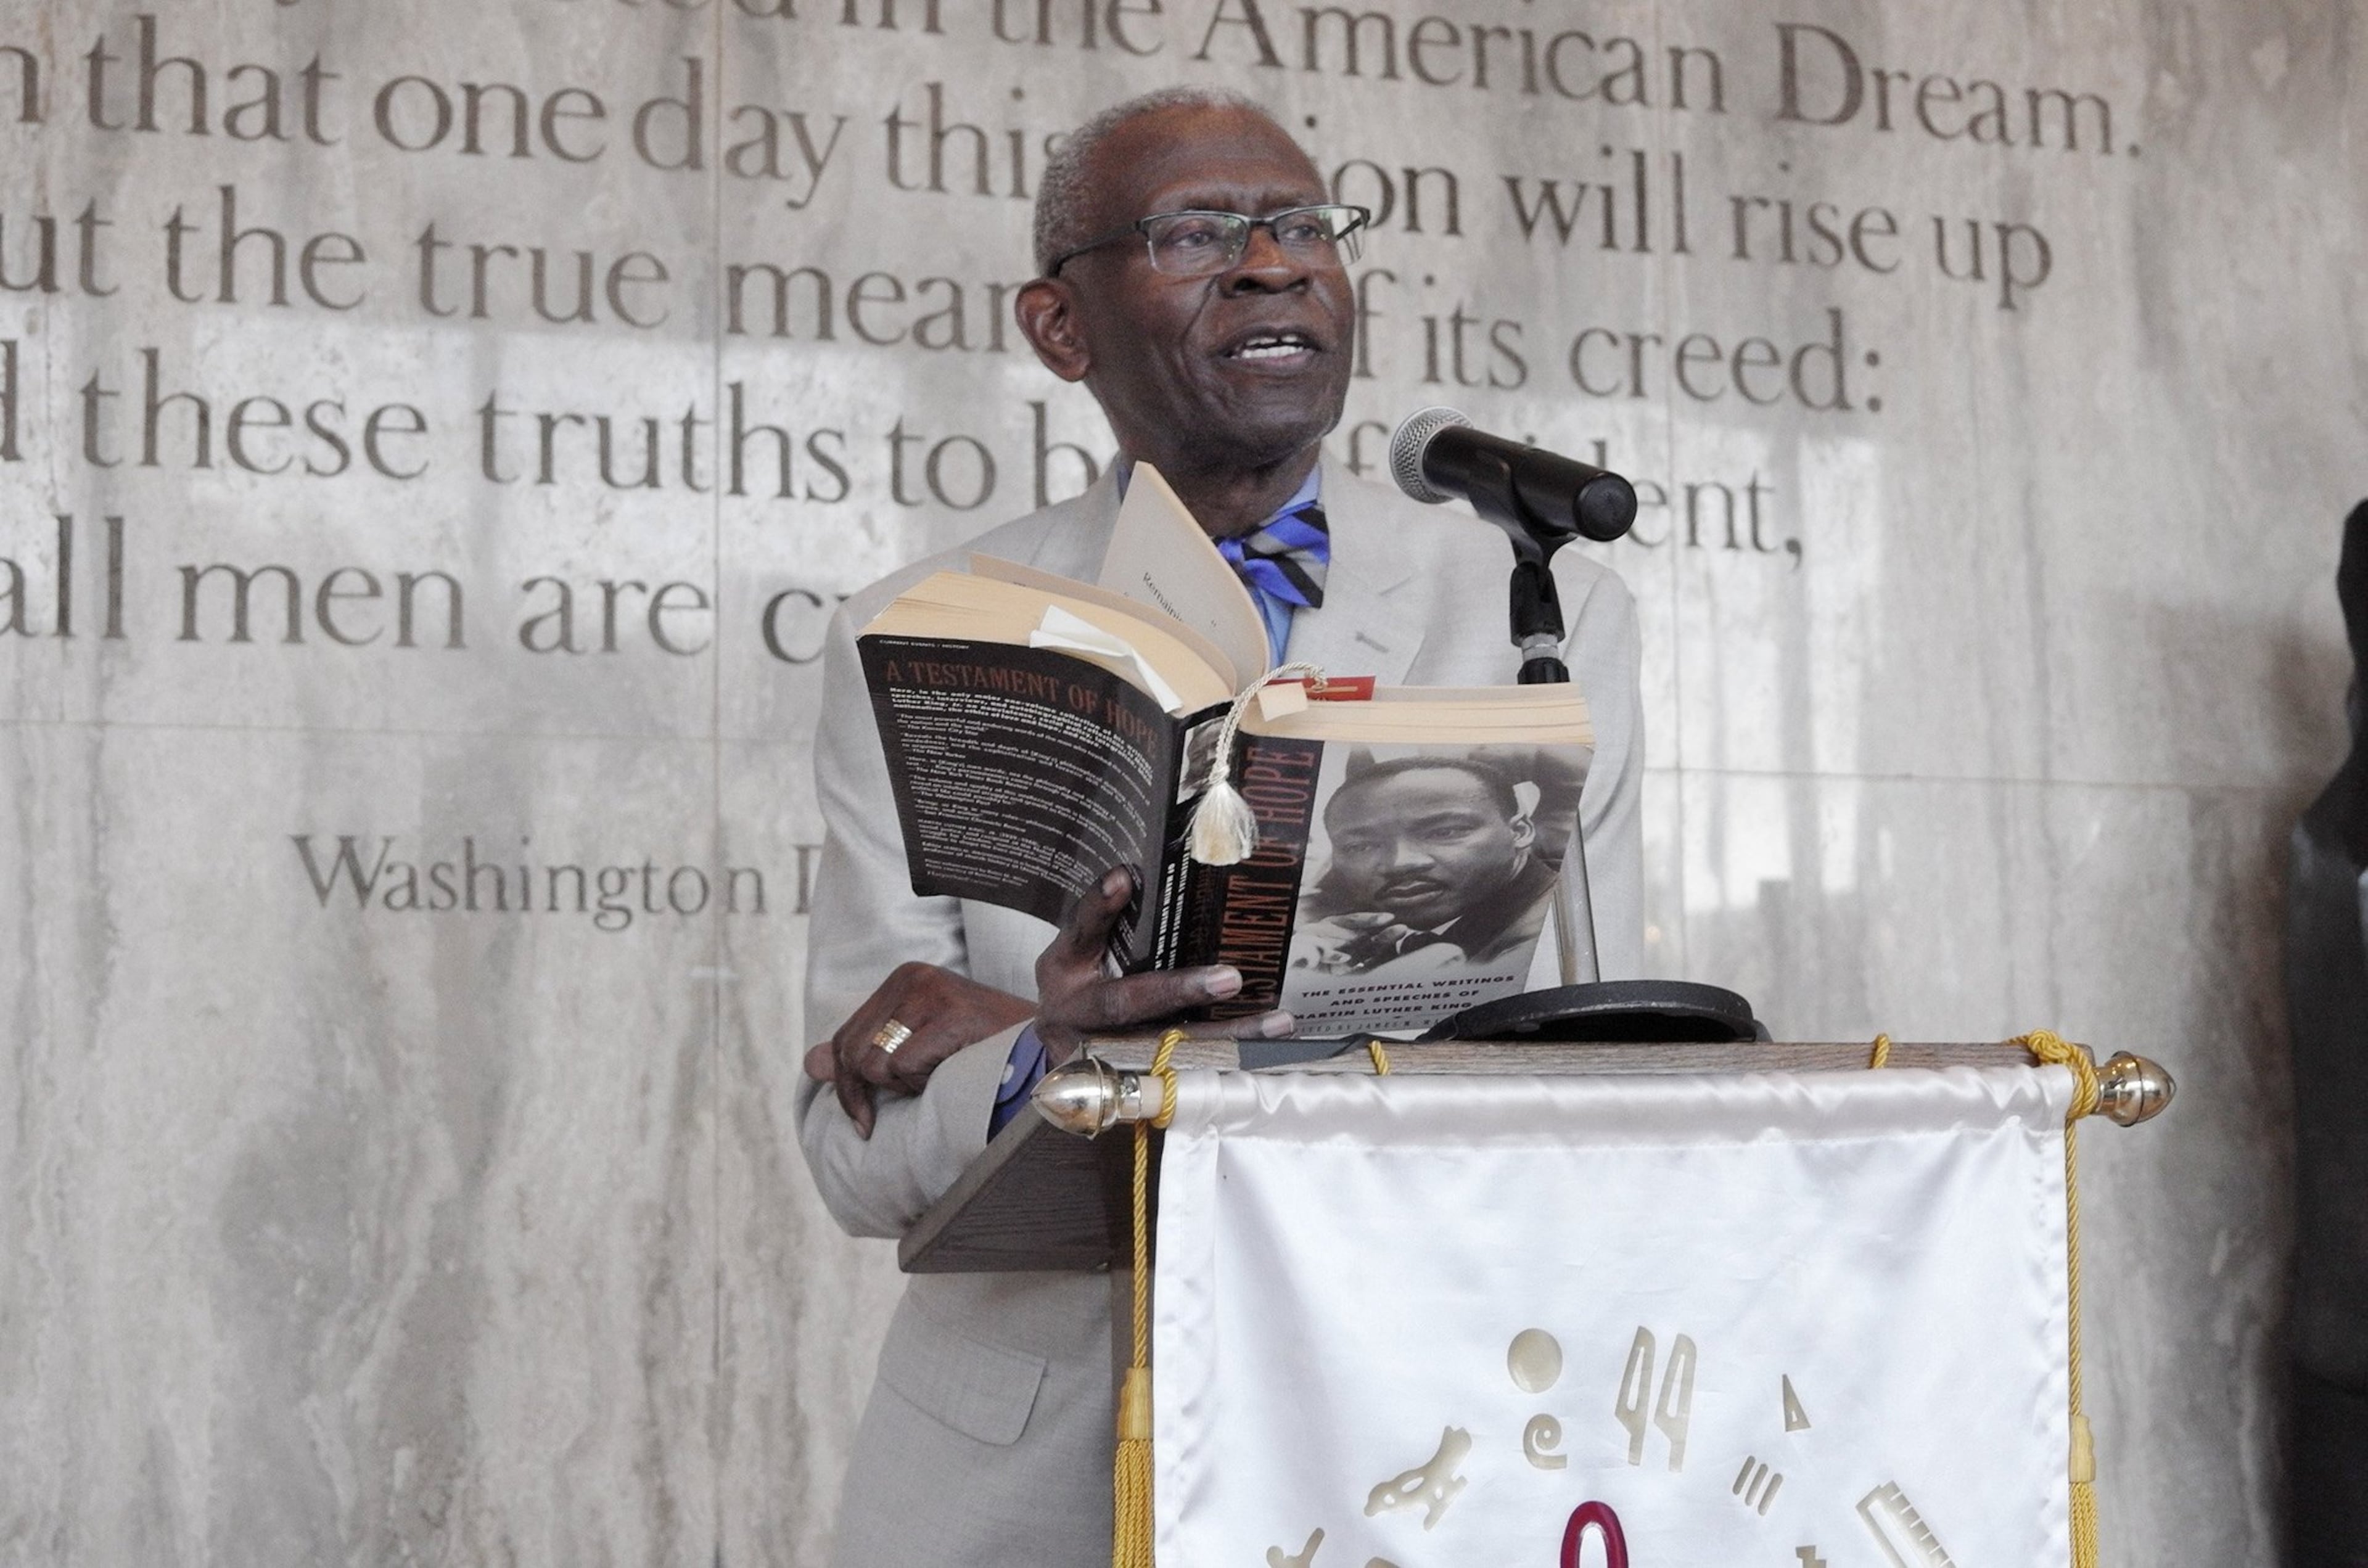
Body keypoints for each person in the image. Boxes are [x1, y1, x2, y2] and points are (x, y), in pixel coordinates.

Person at [797, 86, 1645, 1567]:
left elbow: (1592, 1059)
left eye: (1302, 226)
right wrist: (1045, 1047)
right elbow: (852, 1151)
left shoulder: (1538, 613)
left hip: (1417, 1425)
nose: (1272, 266)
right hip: (1037, 1466)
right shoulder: (925, 635)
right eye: (1196, 234)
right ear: (1062, 331)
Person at [1291, 756, 1558, 978]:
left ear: (1520, 832)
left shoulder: (1548, 943)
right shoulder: (1349, 940)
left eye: (1445, 832)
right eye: (1361, 847)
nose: (1400, 863)